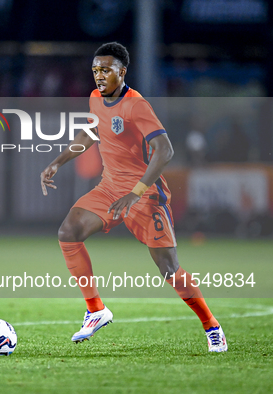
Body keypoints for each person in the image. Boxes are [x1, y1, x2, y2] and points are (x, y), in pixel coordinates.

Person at [40, 42, 227, 352]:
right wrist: (57, 162)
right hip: (109, 187)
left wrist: (135, 193)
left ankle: (212, 327)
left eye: (106, 70)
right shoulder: (95, 98)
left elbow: (165, 150)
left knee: (169, 268)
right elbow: (91, 132)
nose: (99, 76)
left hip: (145, 193)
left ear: (122, 72)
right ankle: (96, 310)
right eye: (95, 70)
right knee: (68, 232)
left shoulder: (136, 105)